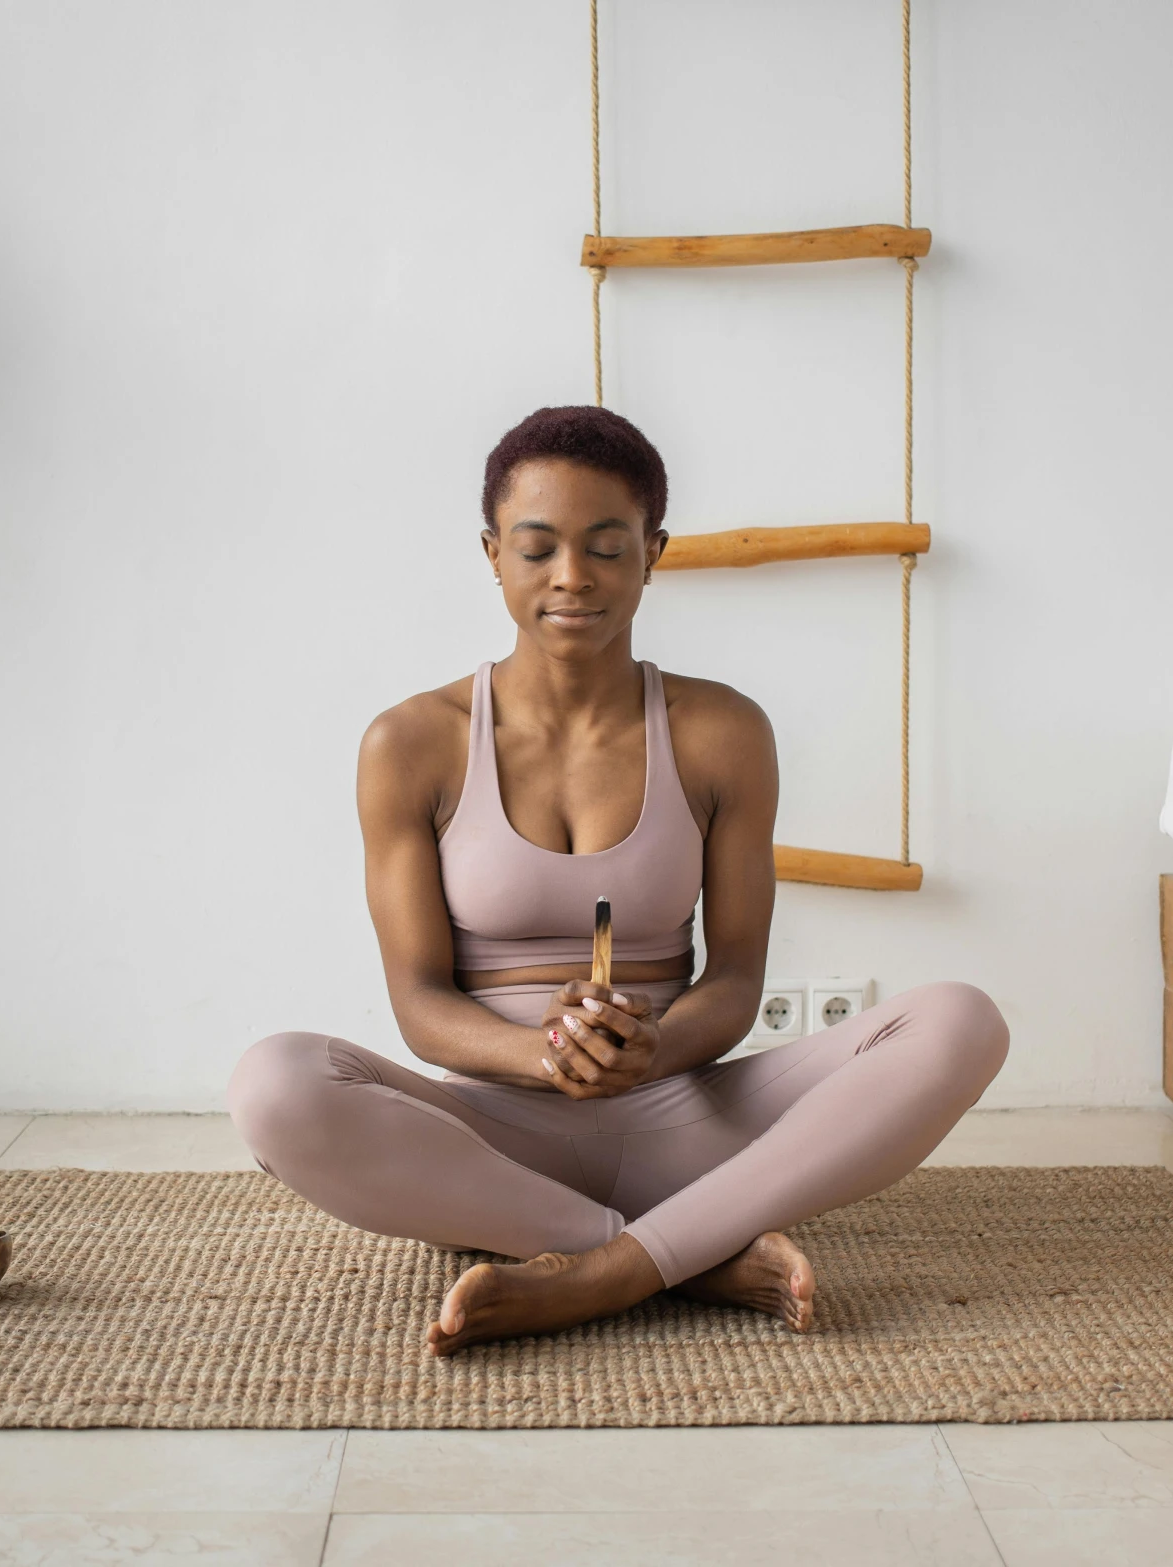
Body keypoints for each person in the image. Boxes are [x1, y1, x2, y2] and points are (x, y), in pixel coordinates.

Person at [228, 405, 1009, 1356]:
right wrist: (542, 1057)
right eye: (537, 548)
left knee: (961, 1020)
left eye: (606, 546)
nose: (572, 577)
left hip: (685, 1115)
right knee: (273, 1085)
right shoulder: (411, 742)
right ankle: (688, 1253)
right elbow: (420, 1004)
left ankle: (605, 1271)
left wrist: (655, 1045)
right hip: (487, 1131)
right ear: (491, 554)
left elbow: (735, 981)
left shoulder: (722, 731)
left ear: (654, 552)